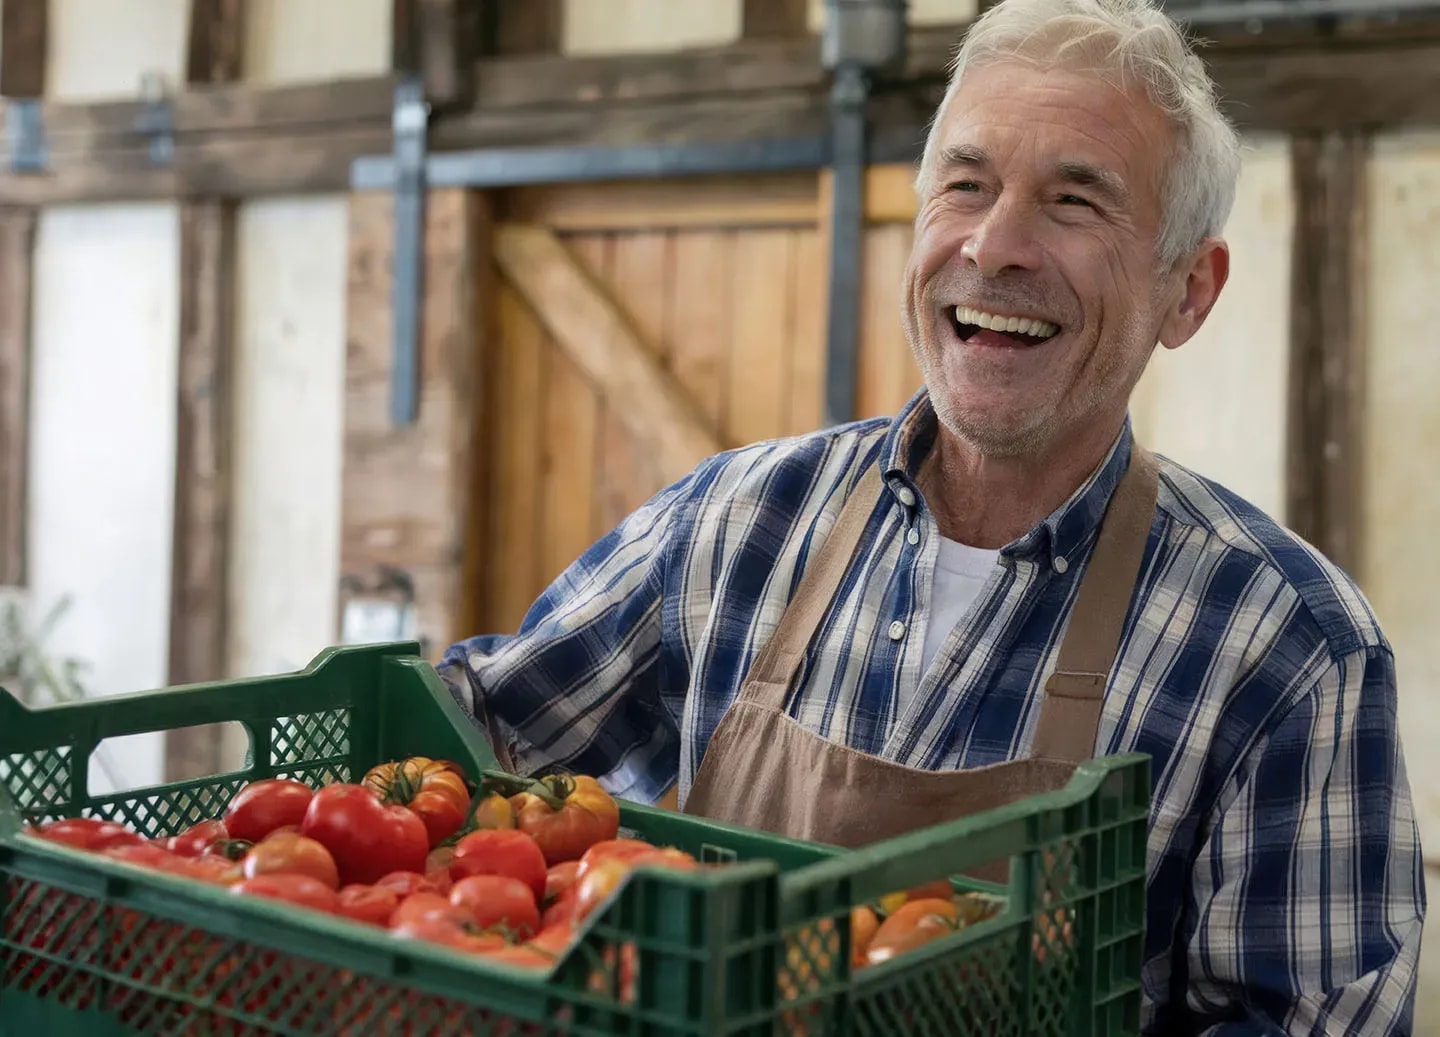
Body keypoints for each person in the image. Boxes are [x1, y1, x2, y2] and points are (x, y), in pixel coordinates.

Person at [437, 0, 1425, 1031]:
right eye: (965, 183)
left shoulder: (1289, 648)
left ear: (1188, 291)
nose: (995, 246)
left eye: (1075, 201)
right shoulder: (734, 526)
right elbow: (467, 742)